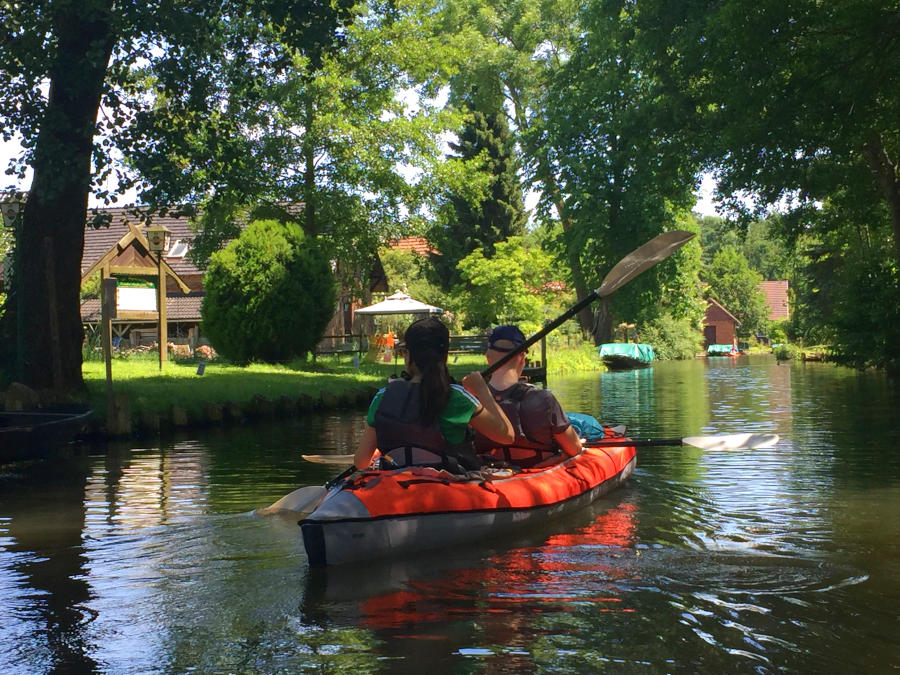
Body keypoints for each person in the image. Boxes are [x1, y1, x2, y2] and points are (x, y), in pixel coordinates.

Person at [353, 317, 514, 473]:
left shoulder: (383, 396)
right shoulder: (456, 397)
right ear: (445, 356)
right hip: (448, 488)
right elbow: (507, 436)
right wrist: (481, 389)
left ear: (408, 355)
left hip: (396, 485)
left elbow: (361, 462)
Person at [473, 325, 582, 467]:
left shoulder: (471, 400)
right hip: (538, 471)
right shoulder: (544, 400)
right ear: (522, 358)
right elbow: (575, 448)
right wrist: (566, 452)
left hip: (490, 472)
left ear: (488, 357)